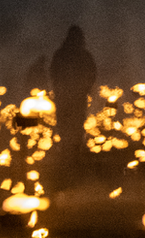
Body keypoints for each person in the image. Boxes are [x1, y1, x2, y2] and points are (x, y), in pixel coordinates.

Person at [49, 26, 96, 174]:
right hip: (73, 98)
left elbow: (53, 73)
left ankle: (69, 159)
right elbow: (91, 73)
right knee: (73, 128)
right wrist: (85, 88)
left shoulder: (61, 54)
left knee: (68, 128)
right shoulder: (82, 55)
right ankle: (71, 160)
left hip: (68, 98)